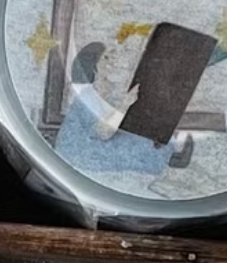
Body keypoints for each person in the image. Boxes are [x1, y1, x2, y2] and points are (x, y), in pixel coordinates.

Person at [55, 42, 194, 176]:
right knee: (133, 147)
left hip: (94, 149)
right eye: (107, 58)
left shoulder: (104, 95)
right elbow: (103, 132)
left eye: (112, 57)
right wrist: (126, 104)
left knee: (136, 141)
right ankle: (169, 151)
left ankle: (170, 149)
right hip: (81, 156)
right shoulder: (87, 97)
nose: (113, 62)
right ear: (95, 68)